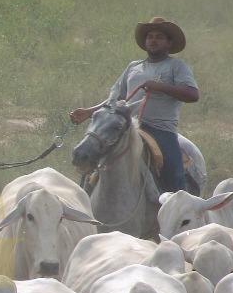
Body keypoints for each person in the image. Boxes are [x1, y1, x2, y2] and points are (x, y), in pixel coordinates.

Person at [70, 16, 199, 192]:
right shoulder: (133, 67)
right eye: (150, 36)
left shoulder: (176, 66)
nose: (153, 40)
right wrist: (89, 112)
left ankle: (177, 206)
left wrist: (160, 87)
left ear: (169, 43)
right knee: (92, 152)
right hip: (127, 126)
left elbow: (193, 94)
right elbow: (114, 100)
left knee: (172, 171)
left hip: (160, 130)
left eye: (159, 37)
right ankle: (85, 200)